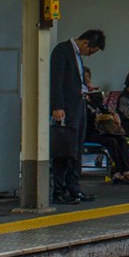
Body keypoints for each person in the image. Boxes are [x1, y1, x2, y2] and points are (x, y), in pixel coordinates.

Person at [49, 28, 105, 205]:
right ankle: (59, 190)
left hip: (79, 105)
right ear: (86, 42)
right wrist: (57, 106)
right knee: (64, 148)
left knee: (76, 149)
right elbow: (56, 80)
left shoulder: (76, 55)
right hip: (67, 108)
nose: (89, 54)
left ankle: (74, 187)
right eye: (91, 51)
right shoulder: (62, 51)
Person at [82, 68, 129, 184]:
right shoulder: (79, 98)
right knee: (111, 141)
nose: (87, 80)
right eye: (84, 77)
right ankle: (123, 171)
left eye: (88, 77)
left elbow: (104, 110)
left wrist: (113, 115)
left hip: (101, 129)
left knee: (121, 139)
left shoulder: (94, 96)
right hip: (88, 130)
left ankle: (124, 171)